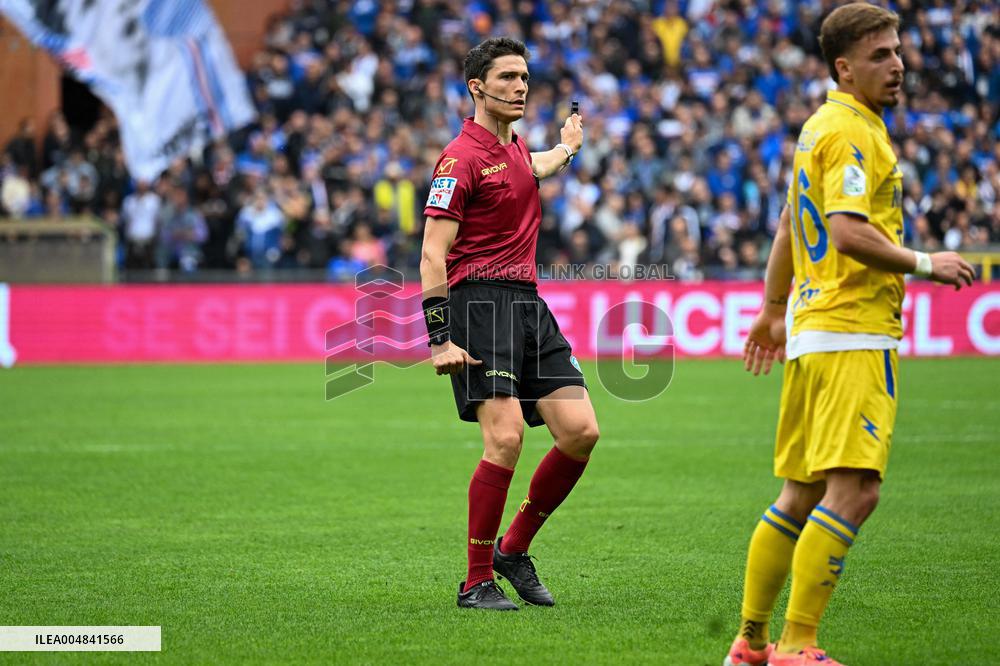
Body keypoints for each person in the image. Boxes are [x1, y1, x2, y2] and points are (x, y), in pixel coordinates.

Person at [723, 5, 975, 666]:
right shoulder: (855, 133)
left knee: (799, 494)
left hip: (812, 328)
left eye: (896, 52)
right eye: (878, 57)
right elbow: (846, 231)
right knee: (854, 491)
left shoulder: (818, 129)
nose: (895, 66)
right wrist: (927, 262)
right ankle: (799, 645)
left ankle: (750, 642)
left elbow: (786, 226)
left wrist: (774, 308)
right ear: (843, 67)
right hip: (852, 330)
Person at [419, 37, 599, 611]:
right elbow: (431, 253)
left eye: (525, 77)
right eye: (508, 78)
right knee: (505, 439)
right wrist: (439, 337)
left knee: (580, 431)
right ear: (478, 87)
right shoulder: (459, 159)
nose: (521, 86)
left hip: (527, 302)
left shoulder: (515, 149)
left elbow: (533, 169)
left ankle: (513, 548)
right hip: (479, 305)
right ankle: (475, 582)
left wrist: (566, 148)